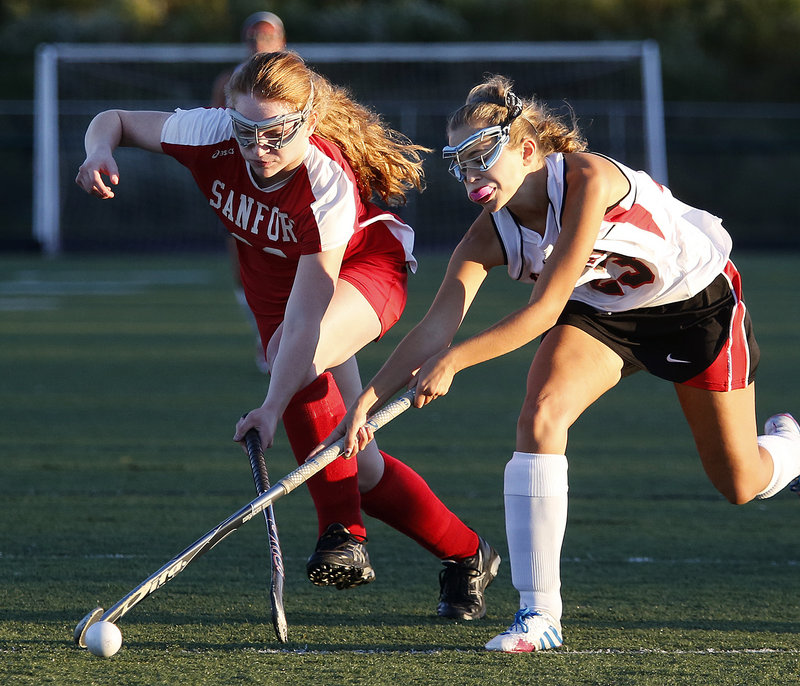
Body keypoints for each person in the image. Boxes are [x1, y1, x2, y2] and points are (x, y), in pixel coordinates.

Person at [320, 74, 800, 652]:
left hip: (695, 306)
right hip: (603, 311)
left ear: (526, 150)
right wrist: (366, 405)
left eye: (481, 156)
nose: (471, 174)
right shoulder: (486, 234)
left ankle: (791, 447)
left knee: (741, 482)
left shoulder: (588, 179)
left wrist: (456, 363)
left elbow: (544, 309)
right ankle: (538, 615)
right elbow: (435, 326)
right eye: (460, 162)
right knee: (541, 416)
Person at [75, 51, 501, 621]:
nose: (258, 147)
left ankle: (341, 533)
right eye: (246, 130)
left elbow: (305, 322)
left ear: (307, 119)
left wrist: (271, 407)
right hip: (275, 281)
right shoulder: (210, 132)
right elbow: (116, 120)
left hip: (367, 266)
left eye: (276, 133)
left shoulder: (325, 184)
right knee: (364, 468)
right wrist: (98, 150)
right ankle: (469, 554)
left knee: (290, 357)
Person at [211, 11, 288, 373]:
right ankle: (264, 336)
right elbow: (213, 132)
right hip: (242, 186)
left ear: (281, 42)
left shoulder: (298, 81)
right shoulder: (229, 82)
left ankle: (290, 337)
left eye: (267, 36)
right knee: (241, 263)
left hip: (287, 186)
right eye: (253, 37)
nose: (259, 43)